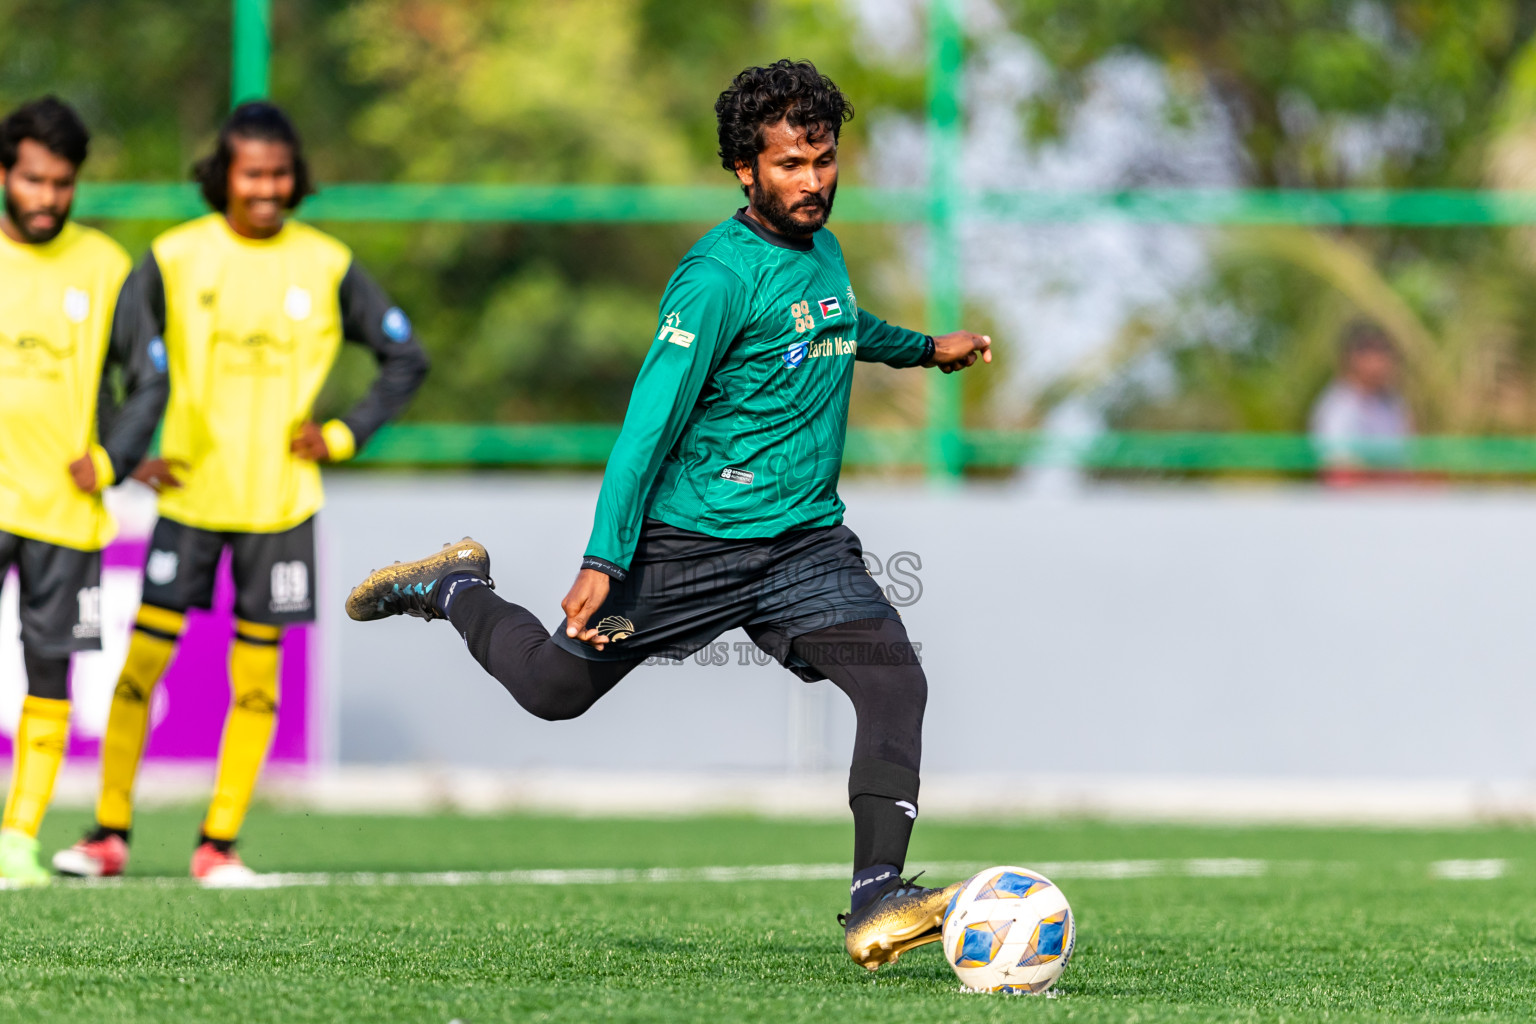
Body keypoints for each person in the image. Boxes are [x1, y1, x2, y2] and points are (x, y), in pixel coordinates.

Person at [345, 60, 992, 968]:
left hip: (804, 544)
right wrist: (606, 558)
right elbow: (646, 428)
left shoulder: (823, 251)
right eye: (789, 165)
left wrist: (925, 349)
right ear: (744, 170)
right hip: (691, 544)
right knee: (552, 692)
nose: (812, 182)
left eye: (824, 159)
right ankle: (455, 586)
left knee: (894, 681)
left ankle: (877, 898)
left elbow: (836, 322)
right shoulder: (714, 278)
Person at [53, 101, 430, 885]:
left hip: (280, 509)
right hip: (189, 502)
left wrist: (340, 436)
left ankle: (217, 844)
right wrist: (127, 456)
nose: (266, 187)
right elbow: (104, 360)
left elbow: (406, 359)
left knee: (256, 684)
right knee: (139, 670)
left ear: (295, 180)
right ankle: (107, 834)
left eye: (279, 173)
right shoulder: (172, 257)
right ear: (223, 176)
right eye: (252, 172)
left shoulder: (326, 263)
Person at [0, 97, 168, 885]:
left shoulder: (105, 267)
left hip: (63, 516)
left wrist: (110, 460)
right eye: (33, 181)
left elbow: (150, 381)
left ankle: (15, 841)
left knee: (48, 673)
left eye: (61, 184)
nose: (46, 199)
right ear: (6, 175)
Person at [1309, 320, 1413, 484]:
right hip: (1353, 504)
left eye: (1386, 353)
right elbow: (1338, 472)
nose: (1384, 362)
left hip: (1393, 499)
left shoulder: (1392, 404)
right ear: (1355, 358)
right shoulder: (1337, 406)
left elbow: (1407, 459)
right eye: (1377, 353)